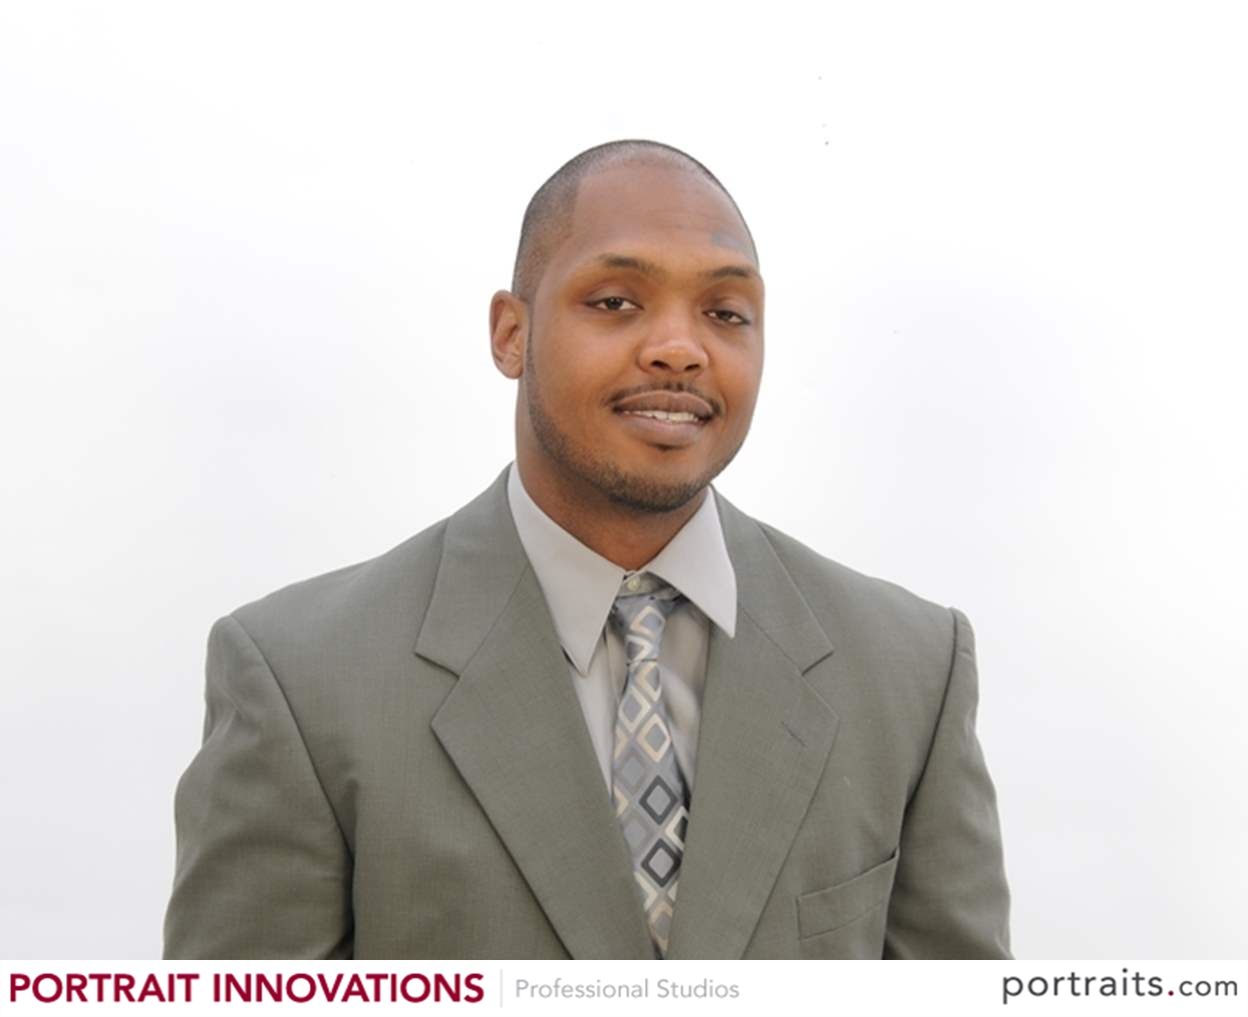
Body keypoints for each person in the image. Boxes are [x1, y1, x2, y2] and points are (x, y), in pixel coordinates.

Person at [163, 139, 1011, 960]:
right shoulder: (302, 680)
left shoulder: (911, 671)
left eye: (725, 313)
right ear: (510, 333)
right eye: (615, 302)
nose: (680, 348)